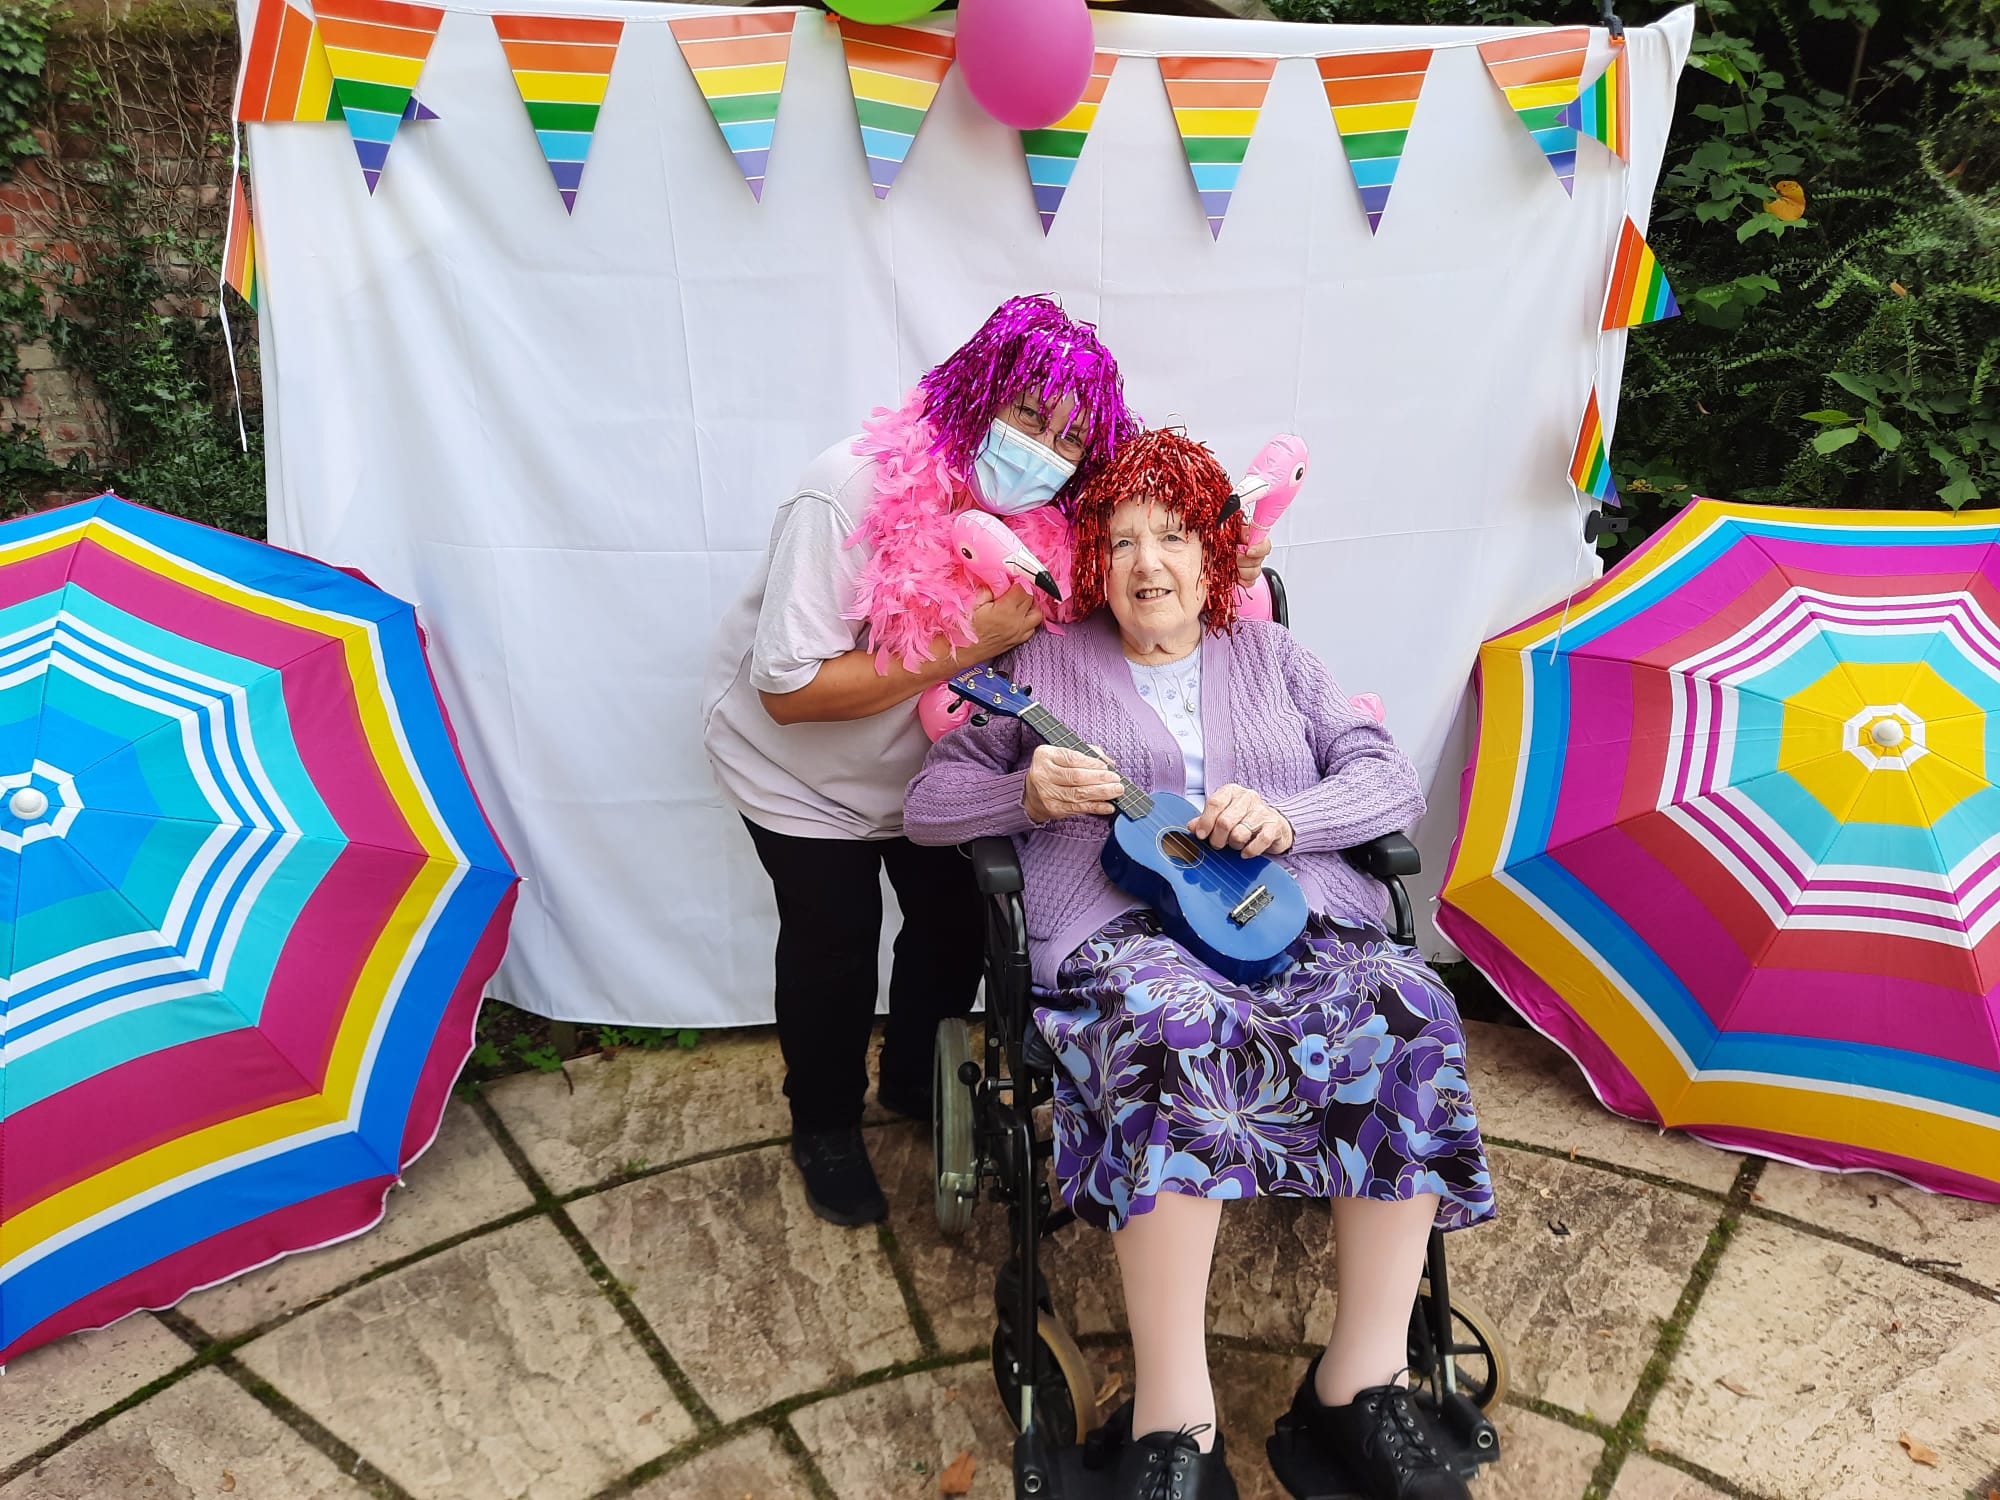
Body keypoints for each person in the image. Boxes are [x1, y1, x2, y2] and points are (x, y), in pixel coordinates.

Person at [903, 429, 1495, 1500]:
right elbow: (931, 802)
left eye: (1172, 535)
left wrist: (1288, 817)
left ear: (1214, 551)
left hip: (1293, 924)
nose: (1146, 564)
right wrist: (1023, 795)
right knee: (1174, 1026)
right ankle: (1176, 1420)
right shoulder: (1037, 664)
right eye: (1121, 539)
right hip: (1121, 945)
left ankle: (1359, 1389)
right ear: (1092, 557)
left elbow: (1385, 777)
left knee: (1406, 1004)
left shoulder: (1272, 657)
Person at [703, 296, 1151, 1228]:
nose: (1045, 449)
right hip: (801, 779)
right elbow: (789, 696)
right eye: (1028, 415)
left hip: (933, 777)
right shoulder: (849, 493)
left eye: (1071, 437)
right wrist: (965, 639)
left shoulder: (1052, 515)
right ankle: (823, 1121)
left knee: (955, 929)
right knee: (831, 948)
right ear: (975, 389)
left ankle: (914, 1080)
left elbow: (1160, 549)